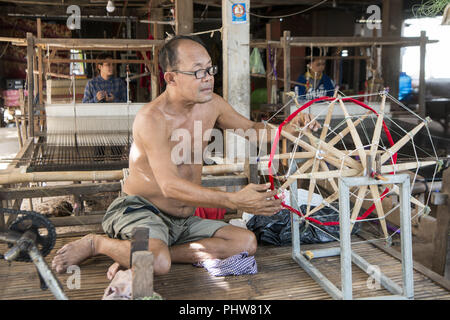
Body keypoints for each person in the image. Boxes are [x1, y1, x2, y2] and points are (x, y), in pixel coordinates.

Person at [52, 35, 320, 278]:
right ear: (170, 78)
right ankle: (96, 243)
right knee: (156, 264)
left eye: (210, 69)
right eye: (198, 72)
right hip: (142, 211)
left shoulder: (212, 104)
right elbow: (169, 186)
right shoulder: (152, 118)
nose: (208, 77)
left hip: (182, 221)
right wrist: (233, 199)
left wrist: (291, 127)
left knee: (246, 243)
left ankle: (143, 252)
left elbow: (252, 130)